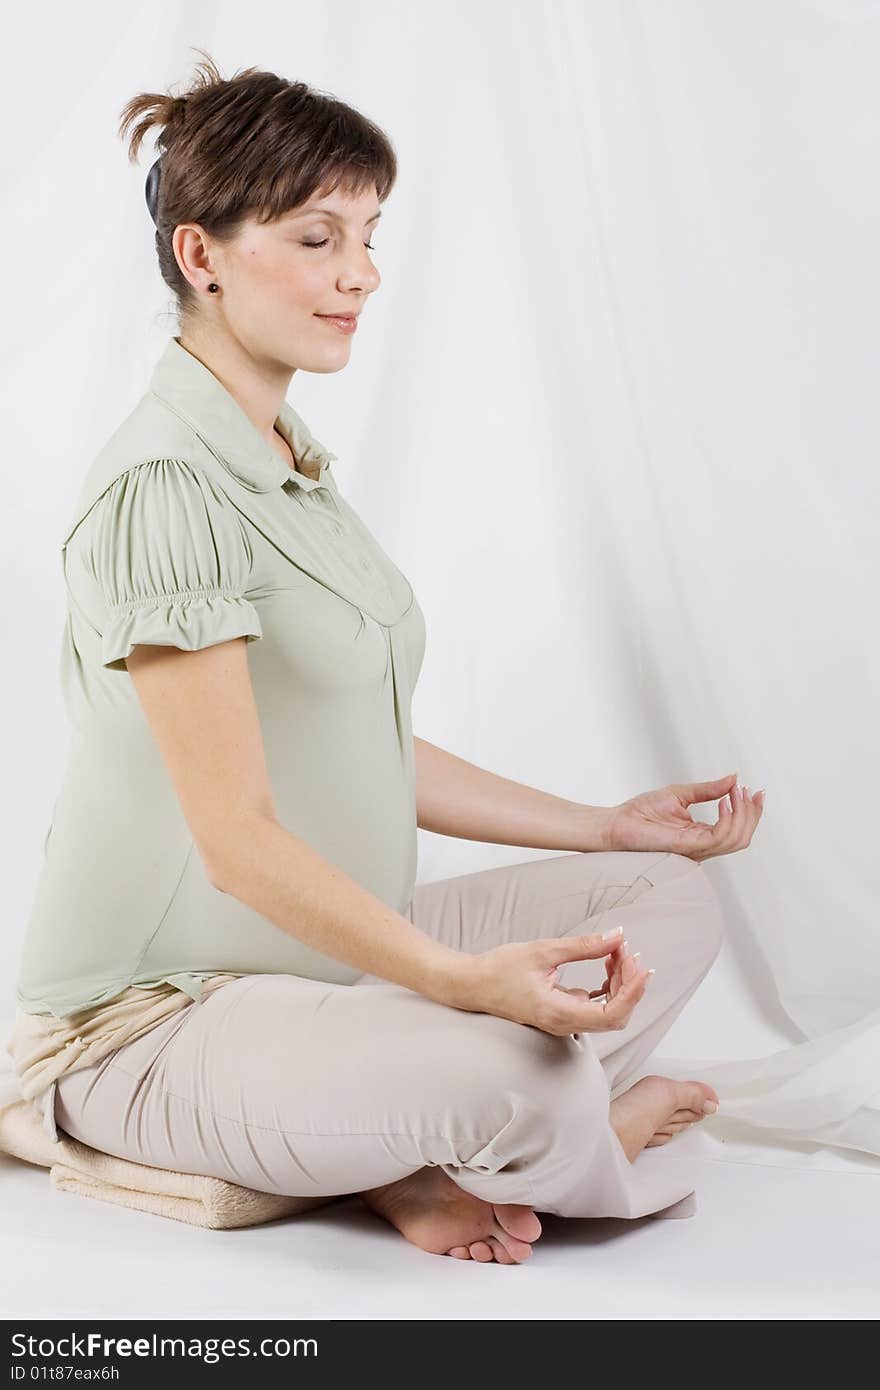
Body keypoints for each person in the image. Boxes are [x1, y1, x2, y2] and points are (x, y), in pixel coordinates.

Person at [9, 51, 765, 1265]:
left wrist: (605, 827)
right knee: (518, 1067)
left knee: (665, 899)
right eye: (316, 238)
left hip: (329, 970)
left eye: (367, 233)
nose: (360, 274)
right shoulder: (165, 489)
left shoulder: (288, 466)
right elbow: (237, 837)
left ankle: (389, 1134)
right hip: (153, 1025)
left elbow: (363, 744)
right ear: (202, 257)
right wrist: (462, 982)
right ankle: (538, 1137)